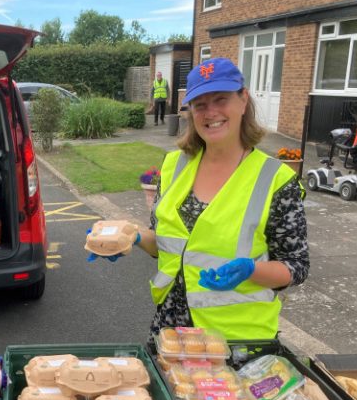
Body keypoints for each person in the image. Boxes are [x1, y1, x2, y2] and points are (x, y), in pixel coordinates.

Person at [102, 58, 309, 340]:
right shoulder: (174, 166)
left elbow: (296, 266)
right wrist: (132, 237)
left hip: (236, 340)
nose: (211, 112)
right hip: (171, 331)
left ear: (243, 100)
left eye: (221, 99)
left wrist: (251, 270)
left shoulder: (275, 179)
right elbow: (166, 245)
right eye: (200, 104)